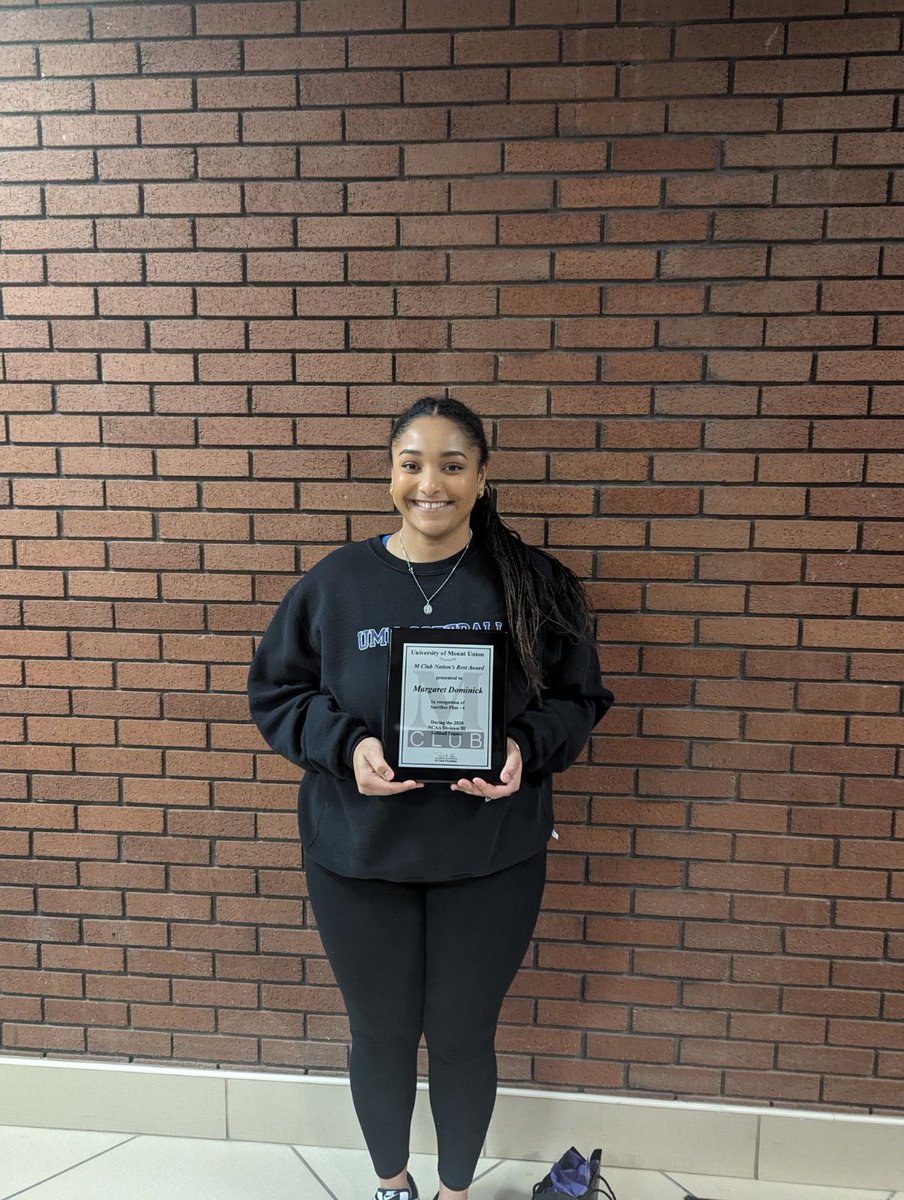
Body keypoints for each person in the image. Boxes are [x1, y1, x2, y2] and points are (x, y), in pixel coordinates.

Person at [247, 396, 614, 1200]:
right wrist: (350, 747)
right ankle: (392, 1184)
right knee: (379, 1036)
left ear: (482, 478)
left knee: (459, 1039)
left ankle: (454, 1193)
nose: (431, 484)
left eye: (452, 465)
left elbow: (579, 699)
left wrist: (523, 748)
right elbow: (277, 693)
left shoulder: (532, 583)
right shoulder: (335, 584)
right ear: (390, 475)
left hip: (489, 857)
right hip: (358, 854)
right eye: (412, 464)